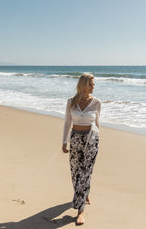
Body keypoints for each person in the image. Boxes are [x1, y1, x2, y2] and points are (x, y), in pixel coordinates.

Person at [62, 73, 101, 225]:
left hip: (91, 140)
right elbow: (67, 122)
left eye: (93, 84)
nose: (93, 86)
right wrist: (64, 142)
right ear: (83, 85)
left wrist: (98, 141)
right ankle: (84, 193)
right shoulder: (71, 102)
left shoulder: (97, 102)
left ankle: (80, 210)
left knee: (85, 173)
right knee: (75, 171)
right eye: (91, 84)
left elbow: (98, 124)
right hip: (75, 138)